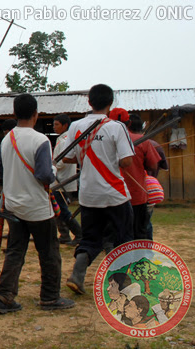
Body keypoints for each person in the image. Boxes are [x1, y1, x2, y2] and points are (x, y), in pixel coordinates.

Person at [0, 94, 75, 314]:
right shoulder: (40, 140)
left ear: (15, 113)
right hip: (37, 207)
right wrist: (54, 170)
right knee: (48, 252)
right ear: (35, 114)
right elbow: (44, 175)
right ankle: (49, 297)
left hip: (12, 206)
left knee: (14, 251)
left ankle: (4, 296)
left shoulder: (6, 139)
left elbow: (0, 170)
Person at [65, 84, 136, 294]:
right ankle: (119, 284)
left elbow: (68, 157)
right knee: (122, 237)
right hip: (115, 194)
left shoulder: (75, 126)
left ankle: (77, 275)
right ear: (110, 103)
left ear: (89, 102)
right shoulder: (116, 127)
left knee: (90, 238)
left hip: (88, 194)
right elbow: (126, 162)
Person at [109, 109, 160, 241]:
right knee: (139, 233)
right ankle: (140, 259)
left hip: (111, 194)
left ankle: (120, 258)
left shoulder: (103, 139)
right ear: (129, 123)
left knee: (117, 234)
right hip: (136, 194)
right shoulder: (142, 141)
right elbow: (154, 166)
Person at [51, 114, 82, 245]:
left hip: (62, 179)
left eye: (57, 124)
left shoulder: (65, 140)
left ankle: (79, 233)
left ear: (65, 126)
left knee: (62, 209)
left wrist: (52, 166)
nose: (54, 127)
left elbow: (61, 161)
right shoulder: (63, 139)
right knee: (57, 208)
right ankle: (64, 234)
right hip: (59, 179)